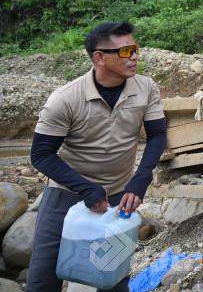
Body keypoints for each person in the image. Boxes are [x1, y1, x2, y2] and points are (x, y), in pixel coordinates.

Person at [28, 21, 167, 292]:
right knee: (43, 279)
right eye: (126, 51)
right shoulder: (66, 99)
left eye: (135, 49)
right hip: (65, 196)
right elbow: (41, 155)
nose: (135, 56)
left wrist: (140, 180)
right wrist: (85, 188)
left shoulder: (146, 88)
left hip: (117, 197)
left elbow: (158, 136)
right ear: (99, 57)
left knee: (113, 279)